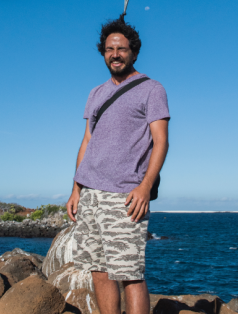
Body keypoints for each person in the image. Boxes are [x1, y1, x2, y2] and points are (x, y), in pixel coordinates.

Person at [66, 18, 170, 314]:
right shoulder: (95, 93)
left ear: (134, 53)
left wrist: (145, 187)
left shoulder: (152, 89)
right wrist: (76, 189)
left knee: (129, 274)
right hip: (90, 195)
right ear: (103, 53)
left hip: (125, 195)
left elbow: (160, 142)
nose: (115, 54)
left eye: (122, 49)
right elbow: (87, 141)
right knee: (98, 270)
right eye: (110, 49)